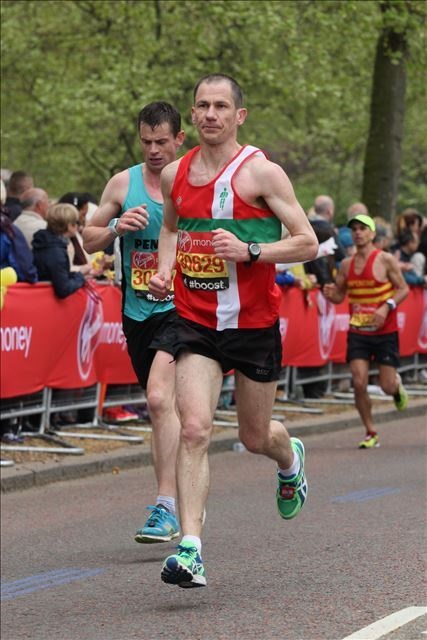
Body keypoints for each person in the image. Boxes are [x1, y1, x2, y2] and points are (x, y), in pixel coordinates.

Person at [149, 73, 318, 588]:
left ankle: (289, 458)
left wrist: (251, 251)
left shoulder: (262, 173)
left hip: (252, 324)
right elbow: (171, 228)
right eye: (202, 105)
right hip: (195, 320)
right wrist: (164, 269)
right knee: (194, 429)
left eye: (221, 106)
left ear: (238, 116)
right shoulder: (174, 174)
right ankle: (191, 549)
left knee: (254, 436)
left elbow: (307, 242)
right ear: (192, 114)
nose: (210, 114)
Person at [83, 101, 185, 544]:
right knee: (164, 407)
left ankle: (166, 506)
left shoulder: (195, 181)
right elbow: (88, 240)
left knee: (159, 399)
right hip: (137, 312)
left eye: (161, 141)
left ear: (179, 139)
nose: (154, 150)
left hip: (184, 308)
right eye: (146, 142)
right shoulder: (123, 182)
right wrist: (117, 227)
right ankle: (182, 494)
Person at [323, 214, 410, 449]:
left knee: (386, 386)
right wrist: (331, 294)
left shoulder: (385, 259)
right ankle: (370, 431)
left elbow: (403, 289)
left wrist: (386, 306)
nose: (358, 233)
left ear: (372, 233)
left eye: (363, 228)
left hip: (385, 331)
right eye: (354, 229)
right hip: (358, 331)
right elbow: (340, 295)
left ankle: (396, 387)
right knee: (359, 382)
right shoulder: (346, 264)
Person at [32, 203, 87, 298]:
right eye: (76, 222)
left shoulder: (47, 243)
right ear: (69, 226)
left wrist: (78, 274)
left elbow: (57, 275)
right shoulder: (55, 251)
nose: (78, 226)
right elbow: (63, 289)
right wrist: (80, 276)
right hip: (46, 300)